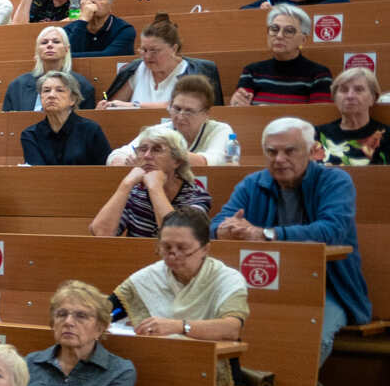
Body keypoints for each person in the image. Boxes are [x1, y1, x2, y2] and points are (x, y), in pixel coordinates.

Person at [215, 119, 371, 360]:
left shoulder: (335, 181)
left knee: (308, 342)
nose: (279, 159)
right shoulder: (252, 184)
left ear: (311, 151)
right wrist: (224, 231)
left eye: (289, 151)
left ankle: (297, 384)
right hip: (262, 286)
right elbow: (216, 224)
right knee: (231, 331)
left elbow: (331, 230)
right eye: (271, 152)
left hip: (328, 287)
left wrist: (266, 234)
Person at [116, 211, 251, 342]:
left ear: (205, 249)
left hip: (208, 355)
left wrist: (180, 327)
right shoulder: (149, 276)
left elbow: (232, 329)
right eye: (166, 247)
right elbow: (110, 311)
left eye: (182, 248)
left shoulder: (227, 279)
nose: (172, 255)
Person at [90, 126, 207, 238]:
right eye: (143, 149)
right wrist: (126, 184)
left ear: (177, 161)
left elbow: (176, 237)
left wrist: (155, 188)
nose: (147, 156)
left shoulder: (195, 194)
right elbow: (101, 233)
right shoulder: (134, 192)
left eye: (156, 150)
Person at [115, 73, 237, 167]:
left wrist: (158, 156)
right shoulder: (159, 130)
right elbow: (117, 155)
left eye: (189, 111)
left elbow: (211, 161)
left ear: (206, 113)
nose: (180, 116)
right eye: (177, 108)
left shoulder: (220, 130)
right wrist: (126, 162)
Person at [230, 7, 335, 107]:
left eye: (289, 31)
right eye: (274, 29)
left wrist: (269, 113)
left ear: (303, 40)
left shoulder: (319, 75)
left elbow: (319, 116)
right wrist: (237, 104)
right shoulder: (252, 71)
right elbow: (241, 111)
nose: (279, 36)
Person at [100, 18, 214, 108]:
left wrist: (134, 106)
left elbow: (179, 107)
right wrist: (106, 106)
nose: (147, 56)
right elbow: (114, 105)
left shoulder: (191, 72)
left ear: (174, 49)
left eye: (154, 51)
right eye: (144, 50)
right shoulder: (135, 70)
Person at [21, 73, 112, 167]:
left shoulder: (91, 130)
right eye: (46, 91)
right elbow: (37, 173)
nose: (51, 95)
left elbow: (106, 171)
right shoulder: (31, 135)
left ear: (72, 99)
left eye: (59, 90)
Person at [1, 27, 97, 114]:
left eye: (56, 42)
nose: (50, 45)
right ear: (37, 50)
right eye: (44, 42)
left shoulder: (82, 85)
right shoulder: (18, 86)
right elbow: (7, 121)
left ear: (66, 49)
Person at [319, 66, 388, 167]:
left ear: (374, 98)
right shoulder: (317, 135)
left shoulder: (387, 136)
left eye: (359, 90)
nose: (350, 96)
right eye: (344, 90)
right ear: (334, 98)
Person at [61, 0, 137, 59]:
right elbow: (67, 57)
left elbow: (108, 57)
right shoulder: (69, 29)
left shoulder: (124, 30)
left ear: (111, 5)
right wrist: (83, 20)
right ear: (80, 3)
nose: (91, 1)